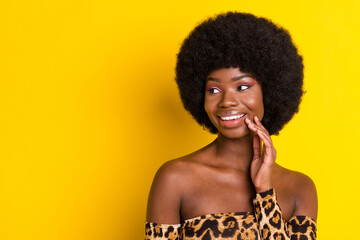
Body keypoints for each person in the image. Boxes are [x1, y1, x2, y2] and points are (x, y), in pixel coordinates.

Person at [145, 12, 317, 240]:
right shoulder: (175, 179)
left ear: (270, 91)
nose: (226, 101)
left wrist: (265, 193)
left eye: (242, 87)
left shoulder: (300, 188)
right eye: (213, 90)